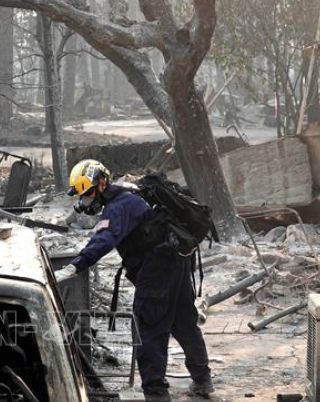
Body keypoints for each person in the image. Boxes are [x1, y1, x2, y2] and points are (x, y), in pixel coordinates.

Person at [54, 159, 214, 402]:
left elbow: (105, 239)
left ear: (101, 184)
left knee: (148, 328)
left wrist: (76, 265)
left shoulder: (118, 206)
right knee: (183, 321)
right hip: (176, 261)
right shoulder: (131, 192)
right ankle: (203, 380)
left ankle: (156, 394)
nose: (85, 201)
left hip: (157, 268)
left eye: (87, 193)